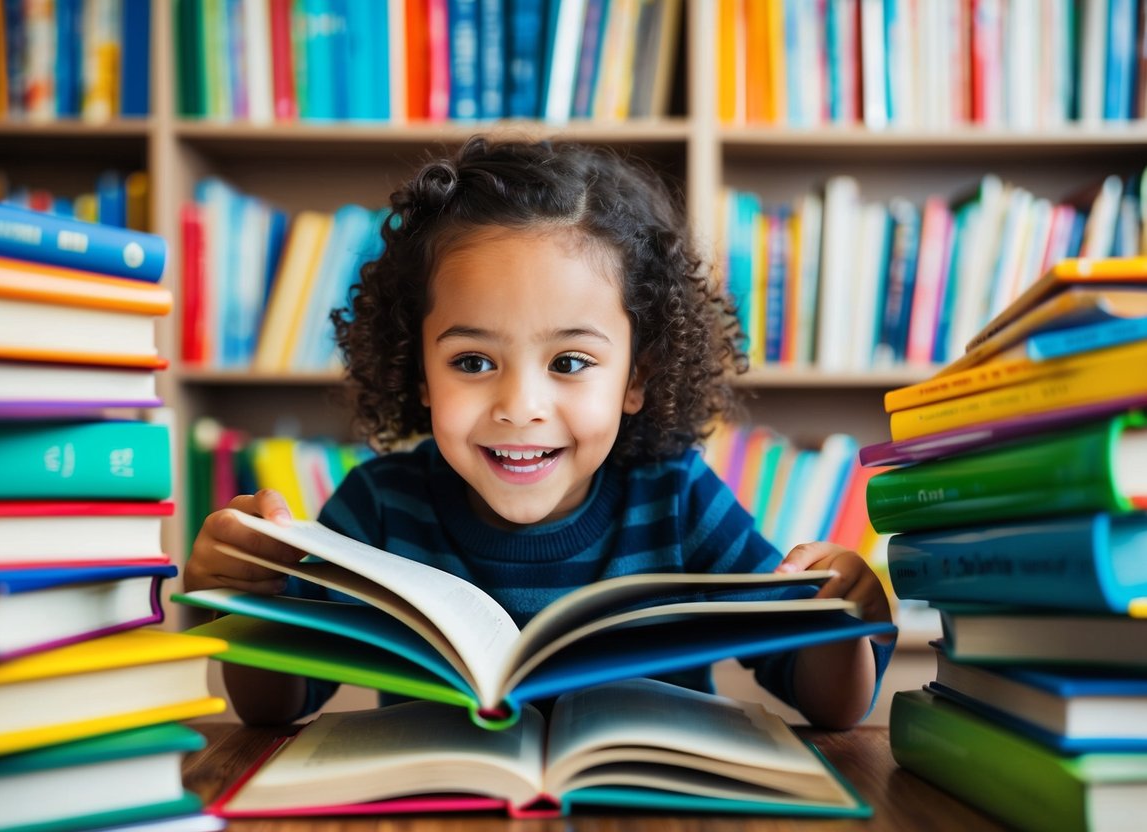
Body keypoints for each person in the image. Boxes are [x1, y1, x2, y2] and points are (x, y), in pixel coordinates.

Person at [184, 135, 895, 729]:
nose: (520, 405)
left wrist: (840, 615)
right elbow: (277, 707)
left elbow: (824, 704)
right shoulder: (379, 506)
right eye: (472, 361)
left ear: (636, 377)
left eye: (570, 362)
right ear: (420, 372)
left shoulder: (678, 499)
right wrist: (252, 600)